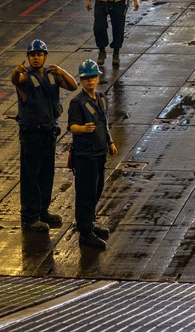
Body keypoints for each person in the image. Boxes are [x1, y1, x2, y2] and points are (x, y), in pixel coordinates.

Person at [12, 39, 77, 233]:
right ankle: (29, 217)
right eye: (32, 55)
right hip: (32, 132)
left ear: (45, 57)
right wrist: (16, 72)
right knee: (31, 175)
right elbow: (16, 81)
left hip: (49, 132)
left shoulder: (52, 75)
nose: (36, 58)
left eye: (39, 54)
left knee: (46, 174)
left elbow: (73, 86)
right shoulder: (25, 77)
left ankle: (42, 211)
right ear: (28, 57)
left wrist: (62, 71)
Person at [68, 60, 118, 249]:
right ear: (81, 81)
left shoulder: (102, 98)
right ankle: (85, 232)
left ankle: (89, 224)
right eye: (86, 78)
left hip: (99, 152)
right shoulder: (77, 103)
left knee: (96, 190)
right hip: (85, 154)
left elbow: (104, 123)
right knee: (86, 193)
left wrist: (110, 142)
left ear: (97, 78)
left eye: (92, 78)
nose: (90, 81)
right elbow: (71, 126)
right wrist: (82, 128)